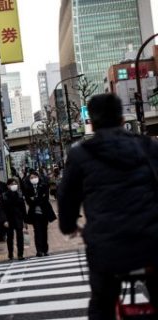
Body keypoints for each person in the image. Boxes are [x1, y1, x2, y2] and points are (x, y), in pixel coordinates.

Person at [58, 93, 158, 319]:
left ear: (91, 123)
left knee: (102, 305)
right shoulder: (148, 146)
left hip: (106, 248)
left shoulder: (80, 154)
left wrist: (68, 226)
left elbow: (67, 198)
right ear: (123, 119)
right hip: (151, 242)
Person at [23, 171, 56, 257]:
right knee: (37, 232)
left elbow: (45, 198)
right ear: (29, 179)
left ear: (38, 177)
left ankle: (45, 250)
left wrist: (35, 199)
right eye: (31, 177)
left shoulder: (44, 186)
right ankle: (39, 251)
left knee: (44, 231)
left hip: (44, 212)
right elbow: (28, 201)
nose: (33, 179)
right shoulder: (27, 188)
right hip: (34, 214)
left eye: (35, 177)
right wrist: (37, 199)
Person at [2, 179, 26, 261]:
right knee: (10, 238)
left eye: (15, 184)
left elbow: (23, 208)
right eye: (12, 184)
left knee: (20, 237)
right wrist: (4, 220)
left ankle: (20, 254)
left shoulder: (19, 194)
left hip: (18, 218)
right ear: (8, 186)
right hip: (9, 219)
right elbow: (2, 209)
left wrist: (25, 220)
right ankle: (10, 254)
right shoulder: (4, 195)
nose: (14, 185)